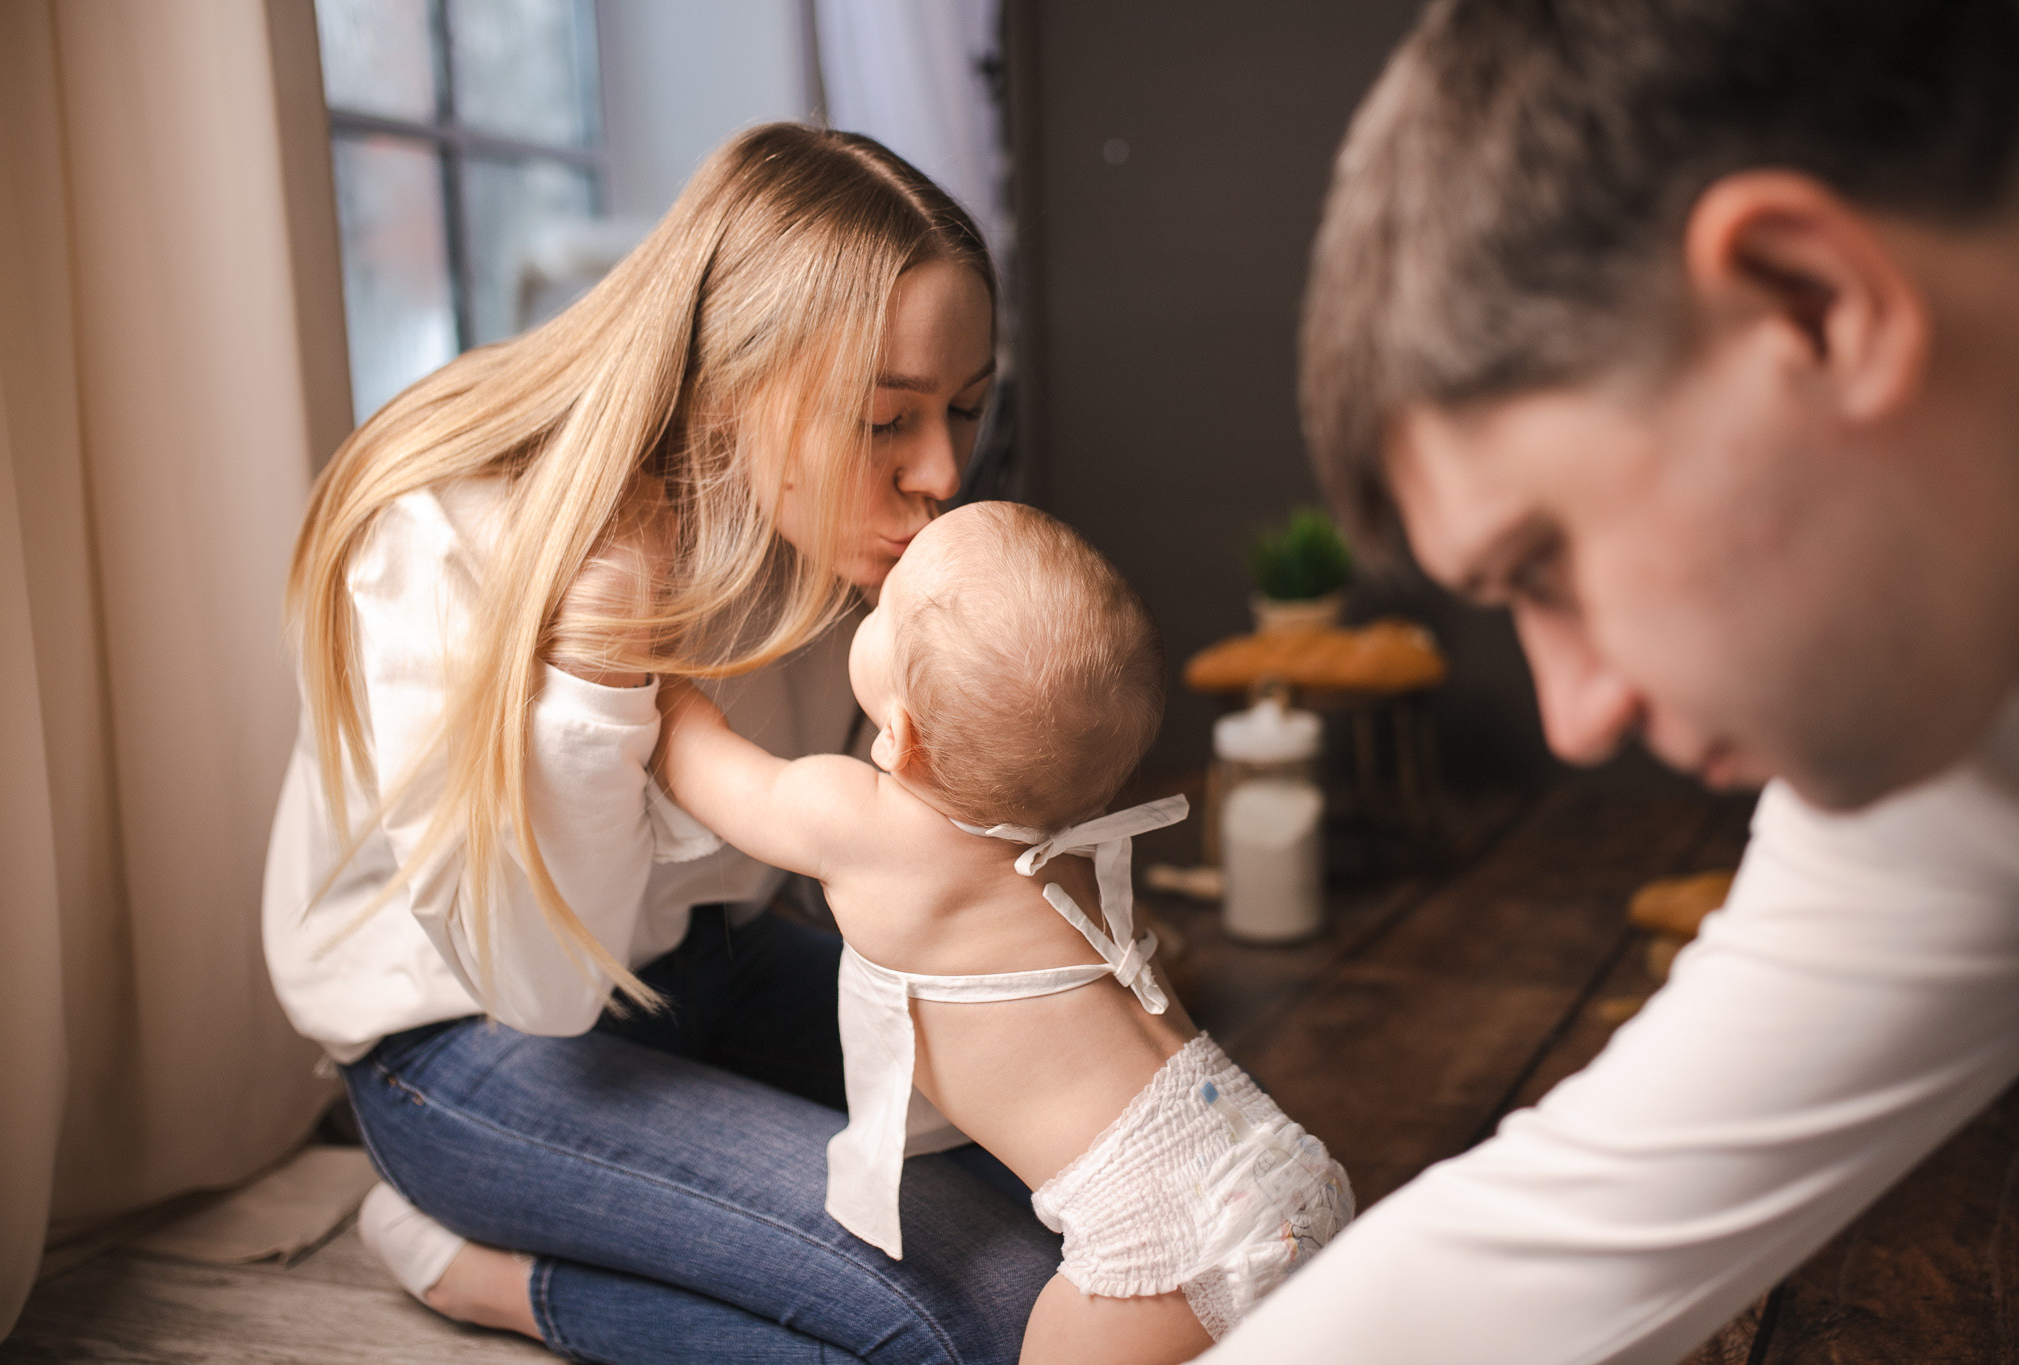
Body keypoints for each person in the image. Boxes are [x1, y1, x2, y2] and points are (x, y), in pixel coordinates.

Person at [1203, 1, 2019, 1361]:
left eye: (1547, 567)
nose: (1576, 719)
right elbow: (1541, 1262)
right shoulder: (1953, 761)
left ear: (1809, 304)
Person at [260, 124, 1062, 1364]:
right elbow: (541, 984)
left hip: (716, 961)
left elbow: (866, 867)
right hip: (474, 1049)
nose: (941, 473)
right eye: (884, 421)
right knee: (994, 1320)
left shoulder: (842, 541)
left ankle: (528, 1275)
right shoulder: (448, 530)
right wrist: (593, 673)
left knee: (1122, 1245)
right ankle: (493, 1274)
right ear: (732, 376)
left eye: (962, 409)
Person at [653, 501, 1352, 1364]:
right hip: (1284, 1169)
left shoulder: (863, 827)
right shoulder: (1064, 841)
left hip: (1162, 1241)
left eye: (886, 605)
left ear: (900, 734)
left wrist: (634, 642)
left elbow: (697, 758)